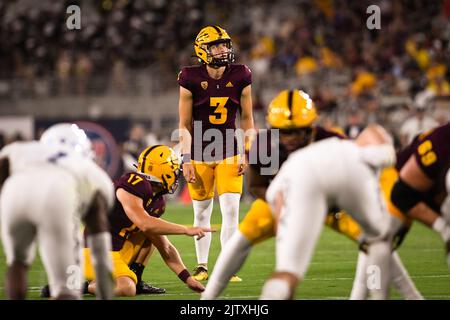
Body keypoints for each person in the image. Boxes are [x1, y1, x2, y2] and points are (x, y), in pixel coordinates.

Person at [202, 90, 421, 300]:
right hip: (287, 197)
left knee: (375, 242)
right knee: (242, 238)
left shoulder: (331, 141)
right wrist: (282, 204)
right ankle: (208, 297)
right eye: (285, 131)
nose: (291, 137)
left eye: (297, 130)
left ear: (311, 127)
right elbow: (255, 185)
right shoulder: (263, 144)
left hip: (336, 200)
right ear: (273, 127)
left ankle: (405, 296)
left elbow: (357, 170)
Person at [260, 125, 395, 300]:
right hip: (353, 169)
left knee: (287, 271)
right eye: (287, 132)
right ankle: (378, 295)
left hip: (303, 179)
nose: (291, 138)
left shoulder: (285, 170)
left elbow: (280, 221)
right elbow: (386, 154)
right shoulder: (349, 148)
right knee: (377, 239)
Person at [0, 123, 114, 300]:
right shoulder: (93, 172)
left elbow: (3, 166)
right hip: (58, 195)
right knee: (67, 288)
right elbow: (99, 249)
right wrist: (106, 295)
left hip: (15, 191)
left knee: (17, 263)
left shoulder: (21, 149)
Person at [178, 25, 254, 281]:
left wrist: (246, 152)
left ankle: (225, 266)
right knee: (201, 212)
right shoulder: (189, 77)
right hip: (199, 152)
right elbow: (184, 125)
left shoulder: (241, 74)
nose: (225, 49)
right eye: (218, 45)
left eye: (225, 44)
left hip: (229, 150)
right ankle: (202, 266)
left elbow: (248, 121)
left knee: (231, 210)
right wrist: (185, 158)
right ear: (203, 50)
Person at [82, 145, 212, 296]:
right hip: (95, 250)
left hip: (117, 248)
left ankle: (136, 277)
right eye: (174, 169)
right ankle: (82, 287)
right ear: (163, 170)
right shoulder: (134, 183)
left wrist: (187, 279)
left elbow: (165, 247)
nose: (176, 174)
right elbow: (144, 223)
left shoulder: (157, 201)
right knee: (126, 288)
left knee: (154, 231)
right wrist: (185, 229)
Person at [391, 122, 450, 267]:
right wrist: (443, 229)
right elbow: (402, 194)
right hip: (396, 180)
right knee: (378, 243)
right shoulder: (440, 141)